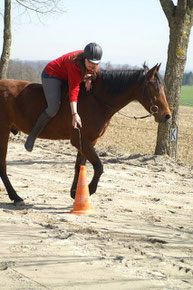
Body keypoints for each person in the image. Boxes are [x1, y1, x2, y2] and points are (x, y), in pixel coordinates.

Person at [24, 42, 103, 152]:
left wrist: (89, 78)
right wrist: (74, 114)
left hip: (66, 75)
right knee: (53, 108)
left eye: (95, 63)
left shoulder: (93, 62)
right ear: (85, 57)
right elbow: (73, 90)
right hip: (52, 74)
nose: (92, 65)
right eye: (89, 62)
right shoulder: (75, 63)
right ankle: (32, 136)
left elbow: (93, 73)